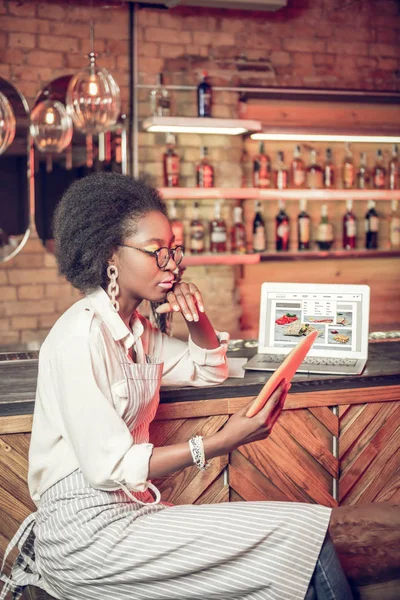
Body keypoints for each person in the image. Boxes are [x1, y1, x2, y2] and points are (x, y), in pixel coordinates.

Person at [0, 173, 353, 600]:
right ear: (110, 254)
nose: (172, 264)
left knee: (299, 541)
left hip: (128, 515)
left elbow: (208, 370)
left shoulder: (135, 331)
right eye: (156, 252)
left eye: (174, 251)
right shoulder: (80, 335)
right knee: (302, 533)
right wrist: (221, 443)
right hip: (86, 537)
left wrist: (195, 313)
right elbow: (108, 469)